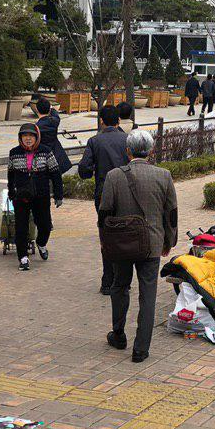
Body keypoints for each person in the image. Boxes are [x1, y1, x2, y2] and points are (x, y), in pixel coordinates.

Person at [100, 129, 178, 363]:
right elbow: (171, 215)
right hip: (152, 244)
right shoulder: (164, 176)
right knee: (148, 295)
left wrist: (105, 242)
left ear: (127, 151)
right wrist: (168, 241)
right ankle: (141, 349)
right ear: (151, 151)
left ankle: (118, 334)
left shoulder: (114, 176)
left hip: (121, 245)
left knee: (119, 286)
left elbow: (104, 213)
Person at [78, 105, 130, 295]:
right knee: (125, 235)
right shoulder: (128, 139)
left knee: (107, 237)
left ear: (101, 121)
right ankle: (123, 280)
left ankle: (108, 281)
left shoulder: (94, 141)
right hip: (126, 194)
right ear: (118, 121)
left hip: (103, 194)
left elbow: (84, 170)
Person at [8, 123, 63, 271]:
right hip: (21, 196)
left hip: (41, 195)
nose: (28, 139)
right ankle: (23, 258)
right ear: (20, 138)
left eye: (31, 136)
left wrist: (58, 195)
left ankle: (41, 243)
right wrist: (11, 191)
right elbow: (11, 175)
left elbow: (55, 174)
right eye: (24, 136)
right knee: (21, 227)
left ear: (37, 137)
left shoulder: (46, 151)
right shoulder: (14, 153)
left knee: (45, 225)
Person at [35, 97, 72, 175]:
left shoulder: (36, 127)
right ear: (49, 110)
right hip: (57, 156)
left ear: (37, 110)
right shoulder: (54, 121)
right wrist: (51, 108)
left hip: (43, 159)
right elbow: (56, 115)